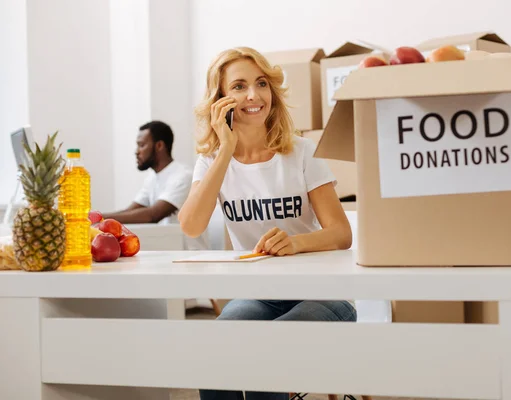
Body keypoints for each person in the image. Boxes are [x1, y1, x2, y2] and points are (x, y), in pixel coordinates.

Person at [178, 47, 356, 400]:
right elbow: (191, 226)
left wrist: (295, 243)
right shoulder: (213, 160)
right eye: (239, 86)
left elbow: (342, 233)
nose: (253, 95)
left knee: (265, 348)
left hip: (322, 294)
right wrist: (226, 149)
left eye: (261, 84)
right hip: (259, 295)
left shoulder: (301, 152)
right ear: (220, 100)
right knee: (213, 350)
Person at [103, 121, 209, 250]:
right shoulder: (152, 178)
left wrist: (99, 218)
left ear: (159, 146)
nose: (136, 152)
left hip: (191, 255)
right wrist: (99, 219)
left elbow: (153, 215)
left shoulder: (183, 176)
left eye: (141, 145)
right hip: (170, 251)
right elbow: (130, 211)